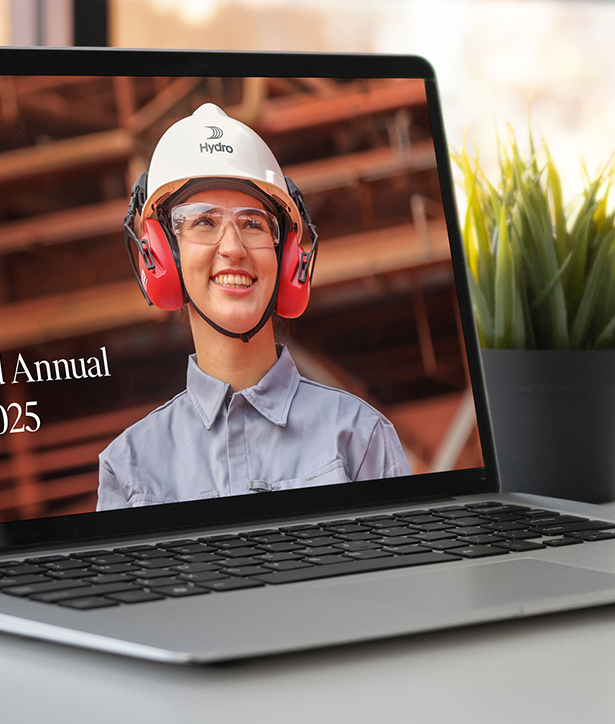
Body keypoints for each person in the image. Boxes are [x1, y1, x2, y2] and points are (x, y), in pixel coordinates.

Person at [97, 102, 411, 510]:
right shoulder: (129, 470)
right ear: (161, 257)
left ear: (287, 260)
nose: (232, 248)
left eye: (253, 224)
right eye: (203, 222)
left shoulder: (359, 437)